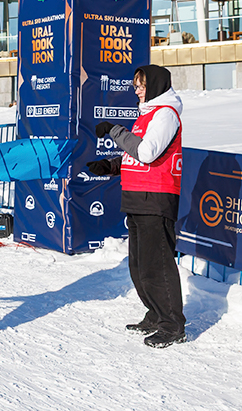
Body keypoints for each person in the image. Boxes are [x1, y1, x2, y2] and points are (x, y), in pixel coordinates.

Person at [86, 64, 187, 349]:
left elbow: (147, 151)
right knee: (139, 266)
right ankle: (156, 313)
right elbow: (135, 154)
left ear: (154, 85)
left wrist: (115, 130)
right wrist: (111, 166)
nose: (137, 90)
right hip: (136, 196)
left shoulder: (166, 113)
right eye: (135, 86)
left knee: (157, 265)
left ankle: (172, 324)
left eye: (141, 85)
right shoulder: (147, 115)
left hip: (156, 197)